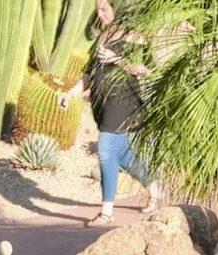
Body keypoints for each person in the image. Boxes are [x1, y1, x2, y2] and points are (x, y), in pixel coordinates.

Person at [58, 0, 160, 227]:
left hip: (125, 103)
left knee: (105, 149)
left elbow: (145, 70)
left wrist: (118, 60)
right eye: (97, 10)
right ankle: (154, 186)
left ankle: (107, 212)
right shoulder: (101, 39)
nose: (100, 14)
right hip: (103, 107)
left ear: (117, 8)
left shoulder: (135, 37)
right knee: (123, 155)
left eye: (104, 9)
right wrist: (70, 94)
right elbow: (88, 76)